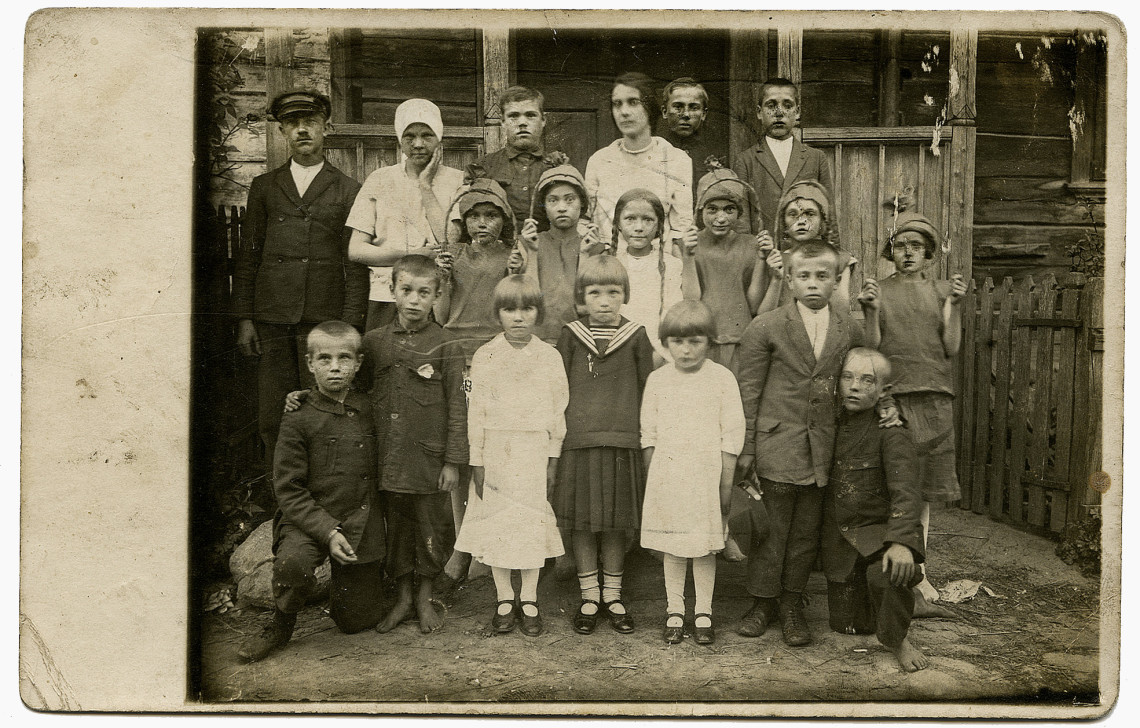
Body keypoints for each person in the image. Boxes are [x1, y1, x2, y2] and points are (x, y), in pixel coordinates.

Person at [735, 241, 872, 647]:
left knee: (805, 536)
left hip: (823, 451)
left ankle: (792, 603)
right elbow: (748, 391)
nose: (813, 283)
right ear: (789, 280)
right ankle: (762, 603)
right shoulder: (766, 327)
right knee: (772, 531)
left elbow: (856, 384)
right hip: (777, 446)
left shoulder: (850, 329)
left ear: (836, 281)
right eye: (804, 276)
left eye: (822, 276)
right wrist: (747, 447)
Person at [232, 90, 368, 481]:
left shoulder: (347, 189)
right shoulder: (265, 187)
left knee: (322, 408)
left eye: (310, 122)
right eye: (292, 123)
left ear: (327, 128)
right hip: (272, 319)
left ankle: (323, 491)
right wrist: (245, 319)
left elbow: (355, 263)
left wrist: (349, 325)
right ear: (282, 131)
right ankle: (281, 495)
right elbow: (248, 257)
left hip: (323, 321)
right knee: (273, 412)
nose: (301, 130)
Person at [237, 321, 385, 662]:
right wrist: (328, 531)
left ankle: (346, 592)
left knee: (356, 621)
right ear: (309, 364)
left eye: (344, 358)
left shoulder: (368, 408)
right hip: (309, 521)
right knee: (293, 563)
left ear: (359, 363)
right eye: (324, 359)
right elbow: (288, 489)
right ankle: (281, 622)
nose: (335, 367)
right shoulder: (298, 416)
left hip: (359, 519)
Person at [858, 200, 968, 604]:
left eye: (916, 246)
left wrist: (955, 305)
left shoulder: (942, 291)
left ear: (929, 253)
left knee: (921, 491)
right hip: (892, 400)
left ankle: (919, 573)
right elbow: (871, 347)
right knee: (893, 485)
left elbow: (951, 347)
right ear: (891, 251)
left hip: (934, 400)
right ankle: (885, 565)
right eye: (900, 245)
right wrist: (871, 311)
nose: (907, 252)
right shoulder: (881, 291)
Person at [455, 276, 569, 637]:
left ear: (539, 312)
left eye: (527, 308)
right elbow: (476, 412)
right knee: (499, 522)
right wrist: (477, 460)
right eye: (509, 309)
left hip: (533, 450)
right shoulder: (486, 355)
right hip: (496, 450)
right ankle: (504, 597)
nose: (518, 317)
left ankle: (530, 597)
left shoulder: (549, 356)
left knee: (530, 521)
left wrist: (553, 458)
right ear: (497, 313)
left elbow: (558, 412)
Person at [363, 255, 469, 635]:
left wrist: (452, 462)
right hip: (388, 459)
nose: (414, 300)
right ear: (391, 290)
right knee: (396, 532)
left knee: (430, 530)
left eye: (424, 293)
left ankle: (424, 597)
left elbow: (457, 405)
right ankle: (403, 598)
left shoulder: (446, 344)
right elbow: (355, 395)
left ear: (437, 296)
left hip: (429, 461)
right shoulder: (373, 342)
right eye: (406, 290)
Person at [553, 255, 656, 636]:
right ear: (581, 298)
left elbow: (649, 391)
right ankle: (588, 596)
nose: (604, 302)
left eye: (613, 292)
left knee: (615, 524)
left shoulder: (636, 336)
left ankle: (612, 595)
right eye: (595, 293)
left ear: (625, 294)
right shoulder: (570, 336)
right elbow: (556, 389)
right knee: (582, 523)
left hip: (621, 442)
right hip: (579, 443)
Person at [640, 301, 745, 645]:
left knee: (703, 546)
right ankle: (674, 609)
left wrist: (725, 485)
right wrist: (654, 482)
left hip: (706, 475)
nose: (685, 350)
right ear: (665, 343)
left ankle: (703, 611)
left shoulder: (721, 378)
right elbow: (648, 435)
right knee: (674, 545)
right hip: (669, 476)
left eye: (695, 341)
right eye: (677, 341)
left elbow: (732, 436)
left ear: (710, 342)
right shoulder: (658, 380)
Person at [821, 348, 930, 672]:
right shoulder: (829, 424)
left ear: (883, 391)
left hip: (876, 535)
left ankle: (899, 640)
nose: (854, 386)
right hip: (839, 541)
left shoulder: (891, 432)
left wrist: (901, 543)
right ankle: (909, 603)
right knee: (849, 625)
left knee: (890, 574)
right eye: (848, 377)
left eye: (867, 380)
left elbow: (906, 493)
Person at [346, 98, 464, 331]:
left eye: (427, 135)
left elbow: (449, 241)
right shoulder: (380, 179)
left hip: (436, 298)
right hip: (386, 295)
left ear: (439, 138)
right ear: (399, 140)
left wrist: (425, 186)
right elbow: (356, 250)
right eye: (409, 136)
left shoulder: (457, 180)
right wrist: (412, 255)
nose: (418, 144)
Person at [586, 72, 693, 253]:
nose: (624, 111)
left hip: (660, 261)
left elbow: (681, 230)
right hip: (609, 261)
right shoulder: (599, 161)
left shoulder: (677, 160)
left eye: (633, 102)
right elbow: (588, 221)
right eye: (617, 104)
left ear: (649, 106)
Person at [683, 165, 768, 376]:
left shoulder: (750, 245)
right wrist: (688, 256)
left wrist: (761, 260)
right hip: (702, 339)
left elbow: (754, 304)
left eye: (729, 210)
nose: (720, 218)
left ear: (739, 212)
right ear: (700, 210)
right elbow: (691, 299)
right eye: (712, 210)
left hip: (740, 340)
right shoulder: (691, 244)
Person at [732, 78, 833, 242]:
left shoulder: (816, 158)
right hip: (765, 253)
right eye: (771, 106)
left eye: (787, 105)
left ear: (797, 112)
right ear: (759, 112)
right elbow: (741, 222)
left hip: (807, 254)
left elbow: (829, 218)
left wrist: (833, 254)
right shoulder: (745, 160)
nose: (779, 113)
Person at [517, 163, 606, 344]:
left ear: (582, 203)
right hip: (537, 340)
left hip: (581, 341)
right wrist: (532, 251)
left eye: (570, 199)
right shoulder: (528, 244)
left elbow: (587, 306)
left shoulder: (595, 248)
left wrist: (585, 254)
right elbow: (526, 300)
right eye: (553, 200)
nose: (562, 208)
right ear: (543, 206)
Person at [435, 177, 519, 364]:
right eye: (474, 216)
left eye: (491, 215)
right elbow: (440, 318)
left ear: (504, 219)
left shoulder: (511, 256)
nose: (482, 223)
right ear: (464, 221)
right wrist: (442, 278)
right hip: (456, 347)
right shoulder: (453, 255)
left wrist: (514, 273)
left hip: (498, 349)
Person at [611, 188, 692, 366]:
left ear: (659, 225)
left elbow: (673, 313)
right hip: (617, 351)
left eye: (648, 220)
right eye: (630, 219)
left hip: (658, 353)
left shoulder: (671, 265)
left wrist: (660, 353)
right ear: (618, 223)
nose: (639, 227)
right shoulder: (611, 263)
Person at [758, 180, 854, 313]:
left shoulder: (839, 258)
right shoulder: (777, 259)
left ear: (822, 221)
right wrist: (776, 279)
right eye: (793, 214)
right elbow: (763, 316)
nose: (801, 221)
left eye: (810, 214)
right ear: (784, 224)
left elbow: (841, 312)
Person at [475, 86, 559, 231]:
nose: (522, 123)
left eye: (530, 115)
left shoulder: (557, 165)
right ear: (503, 122)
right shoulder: (484, 166)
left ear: (543, 120)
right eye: (513, 116)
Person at [658, 77, 726, 201]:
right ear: (664, 111)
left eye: (694, 108)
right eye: (678, 107)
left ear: (703, 114)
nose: (686, 114)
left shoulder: (716, 154)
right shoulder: (655, 151)